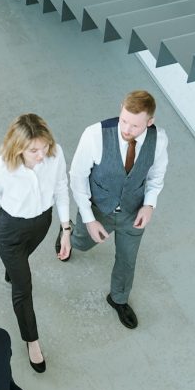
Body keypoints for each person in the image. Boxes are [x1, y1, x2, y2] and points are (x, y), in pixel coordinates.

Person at [0, 114, 70, 373]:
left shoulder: (55, 154)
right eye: (34, 150)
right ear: (18, 148)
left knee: (19, 266)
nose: (42, 154)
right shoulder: (1, 169)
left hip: (42, 223)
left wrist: (66, 228)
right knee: (23, 287)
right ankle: (32, 340)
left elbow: (61, 186)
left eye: (44, 146)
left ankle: (12, 271)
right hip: (10, 231)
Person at [66, 90, 169, 329]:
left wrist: (149, 204)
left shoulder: (160, 139)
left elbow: (156, 176)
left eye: (135, 125)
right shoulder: (95, 135)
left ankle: (118, 298)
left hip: (133, 212)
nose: (126, 129)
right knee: (82, 243)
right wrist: (90, 220)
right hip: (98, 208)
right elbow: (77, 178)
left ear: (149, 122)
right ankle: (68, 235)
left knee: (127, 259)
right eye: (123, 120)